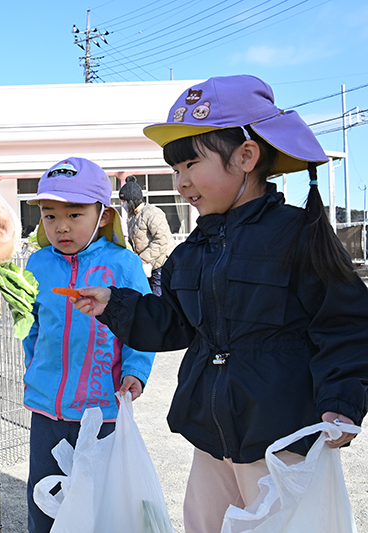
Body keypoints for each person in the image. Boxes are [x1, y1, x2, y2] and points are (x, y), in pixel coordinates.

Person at [69, 75, 368, 533]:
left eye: (191, 164)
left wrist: (342, 401)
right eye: (176, 169)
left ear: (246, 157)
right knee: (204, 525)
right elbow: (172, 323)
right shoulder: (193, 250)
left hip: (279, 437)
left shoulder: (297, 236)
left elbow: (346, 325)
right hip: (211, 435)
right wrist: (115, 304)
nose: (181, 181)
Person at [22, 157, 156, 533]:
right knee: (45, 498)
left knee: (99, 503)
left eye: (75, 215)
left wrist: (135, 371)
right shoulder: (37, 264)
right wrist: (33, 369)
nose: (60, 226)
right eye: (49, 216)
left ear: (103, 215)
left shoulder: (124, 265)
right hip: (47, 410)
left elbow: (143, 324)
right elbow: (31, 326)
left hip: (102, 410)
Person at [119, 175, 177, 295]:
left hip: (161, 264)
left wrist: (143, 258)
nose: (123, 205)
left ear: (132, 201)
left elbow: (161, 240)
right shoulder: (131, 217)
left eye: (124, 202)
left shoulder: (153, 213)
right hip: (146, 267)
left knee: (158, 297)